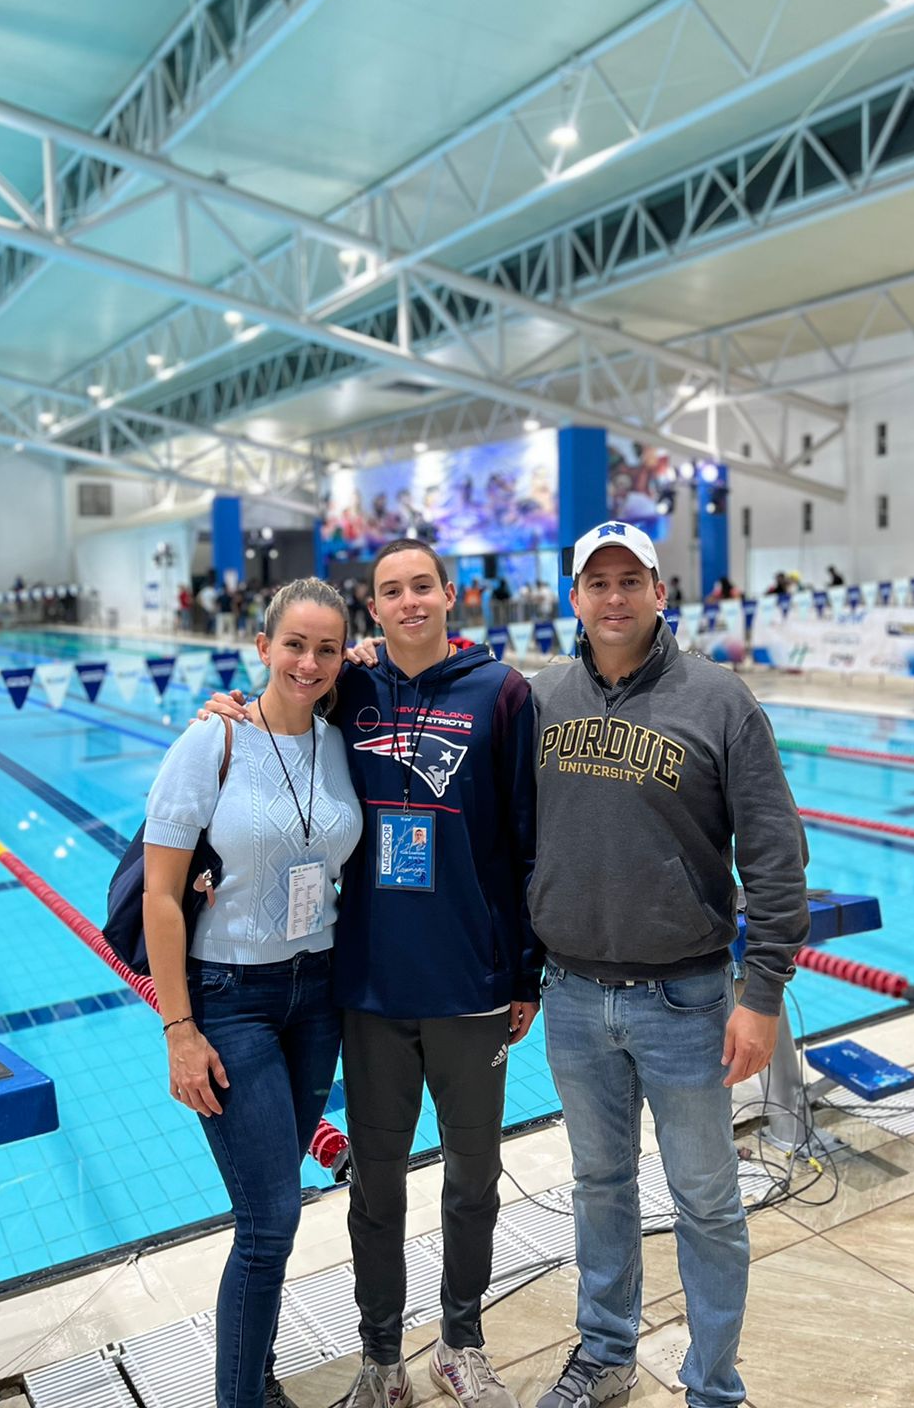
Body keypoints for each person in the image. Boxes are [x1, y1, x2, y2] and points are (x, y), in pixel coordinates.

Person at [204, 540, 541, 1408]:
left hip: (470, 986)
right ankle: (380, 1357)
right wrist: (230, 712)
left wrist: (525, 973)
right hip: (370, 989)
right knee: (376, 1187)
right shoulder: (349, 685)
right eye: (390, 591)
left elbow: (525, 839)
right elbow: (283, 709)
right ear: (375, 607)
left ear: (449, 593)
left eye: (421, 586)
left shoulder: (500, 693)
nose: (408, 602)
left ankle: (461, 1342)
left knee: (474, 1178)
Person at [528, 520, 809, 1408]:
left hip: (687, 1000)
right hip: (572, 996)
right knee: (598, 1186)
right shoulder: (539, 701)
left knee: (708, 1203)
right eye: (596, 583)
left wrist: (760, 993)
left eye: (630, 581)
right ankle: (606, 1353)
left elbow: (774, 853)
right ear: (573, 597)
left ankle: (713, 1386)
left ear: (659, 592)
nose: (613, 598)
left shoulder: (720, 700)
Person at [143, 579, 363, 1408]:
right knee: (269, 1218)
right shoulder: (214, 741)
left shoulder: (341, 741)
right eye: (294, 645)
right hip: (230, 995)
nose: (309, 662)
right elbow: (163, 897)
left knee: (279, 1217)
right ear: (261, 646)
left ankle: (255, 1379)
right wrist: (179, 1029)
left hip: (319, 994)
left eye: (328, 648)